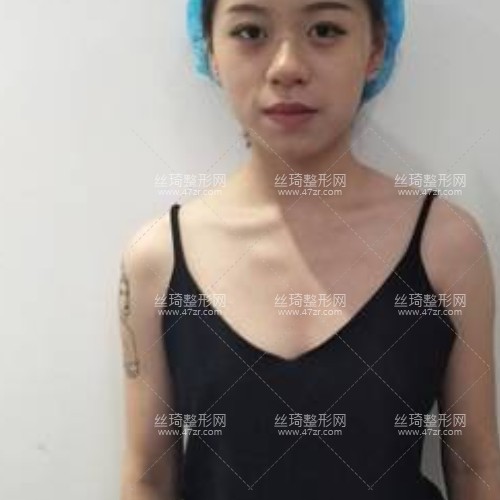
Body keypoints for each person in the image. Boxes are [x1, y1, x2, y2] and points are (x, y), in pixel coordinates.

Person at [118, 1, 500, 499]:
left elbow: (476, 468)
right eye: (250, 31)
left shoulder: (445, 245)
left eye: (324, 29)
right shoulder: (158, 260)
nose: (287, 67)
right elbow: (148, 477)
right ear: (210, 50)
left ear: (375, 48)